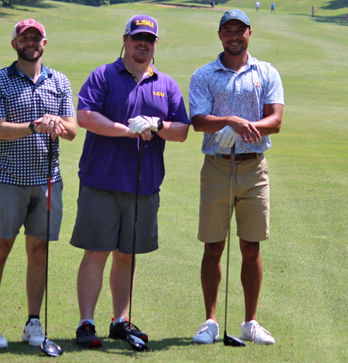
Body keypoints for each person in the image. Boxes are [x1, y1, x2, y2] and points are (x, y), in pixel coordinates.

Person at [70, 14, 190, 348]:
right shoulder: (104, 75)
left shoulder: (166, 85)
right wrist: (128, 129)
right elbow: (85, 116)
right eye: (137, 37)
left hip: (144, 185)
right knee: (97, 252)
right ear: (124, 40)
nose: (142, 44)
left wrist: (157, 125)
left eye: (149, 40)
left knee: (127, 255)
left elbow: (182, 130)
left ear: (155, 45)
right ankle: (86, 322)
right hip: (102, 181)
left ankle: (120, 320)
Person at [0, 18, 77, 349]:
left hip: (48, 181)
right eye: (25, 38)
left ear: (44, 44)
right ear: (15, 43)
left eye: (37, 38)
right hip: (7, 180)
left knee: (39, 250)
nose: (31, 43)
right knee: (0, 247)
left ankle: (33, 322)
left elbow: (73, 129)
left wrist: (56, 123)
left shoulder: (59, 81)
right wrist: (35, 125)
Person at [189, 9, 284, 345]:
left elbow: (275, 120)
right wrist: (228, 120)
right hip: (216, 167)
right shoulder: (204, 74)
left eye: (239, 31)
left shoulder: (267, 72)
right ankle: (210, 321)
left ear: (249, 33)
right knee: (213, 246)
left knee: (251, 247)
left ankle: (250, 322)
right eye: (227, 30)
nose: (234, 36)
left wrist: (245, 127)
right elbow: (198, 121)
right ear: (220, 35)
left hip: (254, 167)